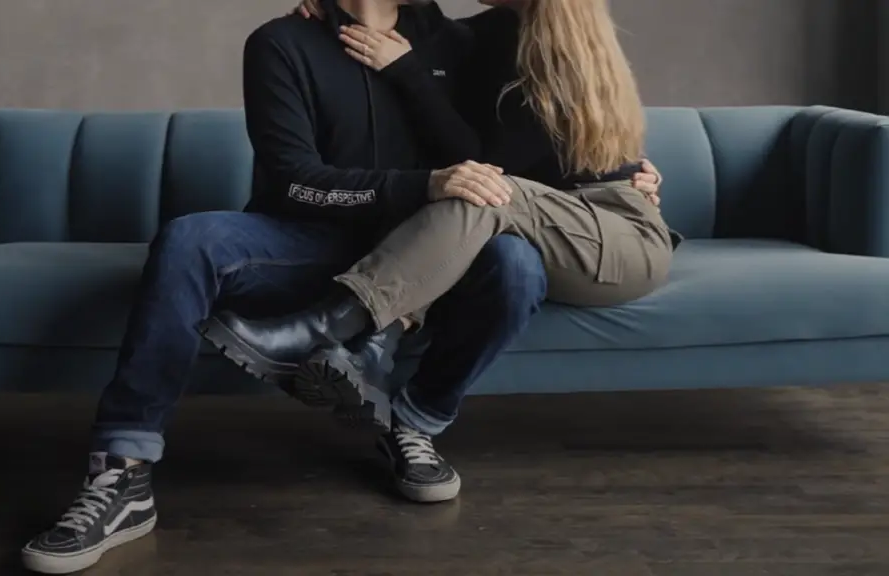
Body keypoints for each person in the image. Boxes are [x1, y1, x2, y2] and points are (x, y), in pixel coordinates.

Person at [204, 0, 677, 499]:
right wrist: (331, 9)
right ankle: (391, 386)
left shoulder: (562, 55)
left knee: (483, 189)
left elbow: (491, 164)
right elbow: (414, 29)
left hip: (618, 234)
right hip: (546, 221)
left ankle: (329, 327)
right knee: (483, 211)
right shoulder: (487, 33)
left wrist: (405, 72)